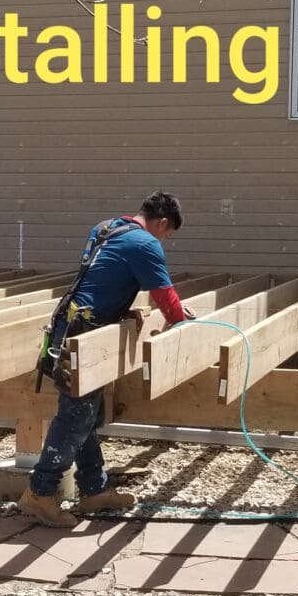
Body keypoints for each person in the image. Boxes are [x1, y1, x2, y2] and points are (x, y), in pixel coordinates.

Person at [20, 192, 190, 528]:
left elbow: (98, 281)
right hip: (82, 338)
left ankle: (94, 488)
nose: (164, 240)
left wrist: (122, 308)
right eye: (167, 234)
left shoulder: (106, 228)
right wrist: (184, 325)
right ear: (163, 223)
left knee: (88, 415)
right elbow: (166, 297)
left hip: (69, 327)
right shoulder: (146, 244)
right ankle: (39, 493)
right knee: (74, 418)